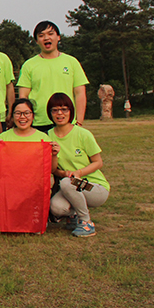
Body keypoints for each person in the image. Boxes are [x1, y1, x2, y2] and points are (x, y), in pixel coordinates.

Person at [47, 93, 109, 238]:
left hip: (94, 187)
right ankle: (73, 215)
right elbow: (53, 170)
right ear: (50, 113)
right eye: (55, 110)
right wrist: (63, 172)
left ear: (71, 111)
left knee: (67, 183)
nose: (60, 114)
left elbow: (98, 162)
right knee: (56, 207)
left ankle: (86, 222)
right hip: (70, 184)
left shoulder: (83, 134)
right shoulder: (48, 136)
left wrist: (79, 173)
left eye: (64, 109)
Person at [18, 21, 89, 132]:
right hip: (38, 123)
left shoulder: (72, 62)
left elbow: (80, 93)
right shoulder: (29, 65)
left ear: (58, 37)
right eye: (41, 35)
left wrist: (78, 122)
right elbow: (23, 96)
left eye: (50, 34)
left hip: (67, 122)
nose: (46, 38)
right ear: (36, 41)